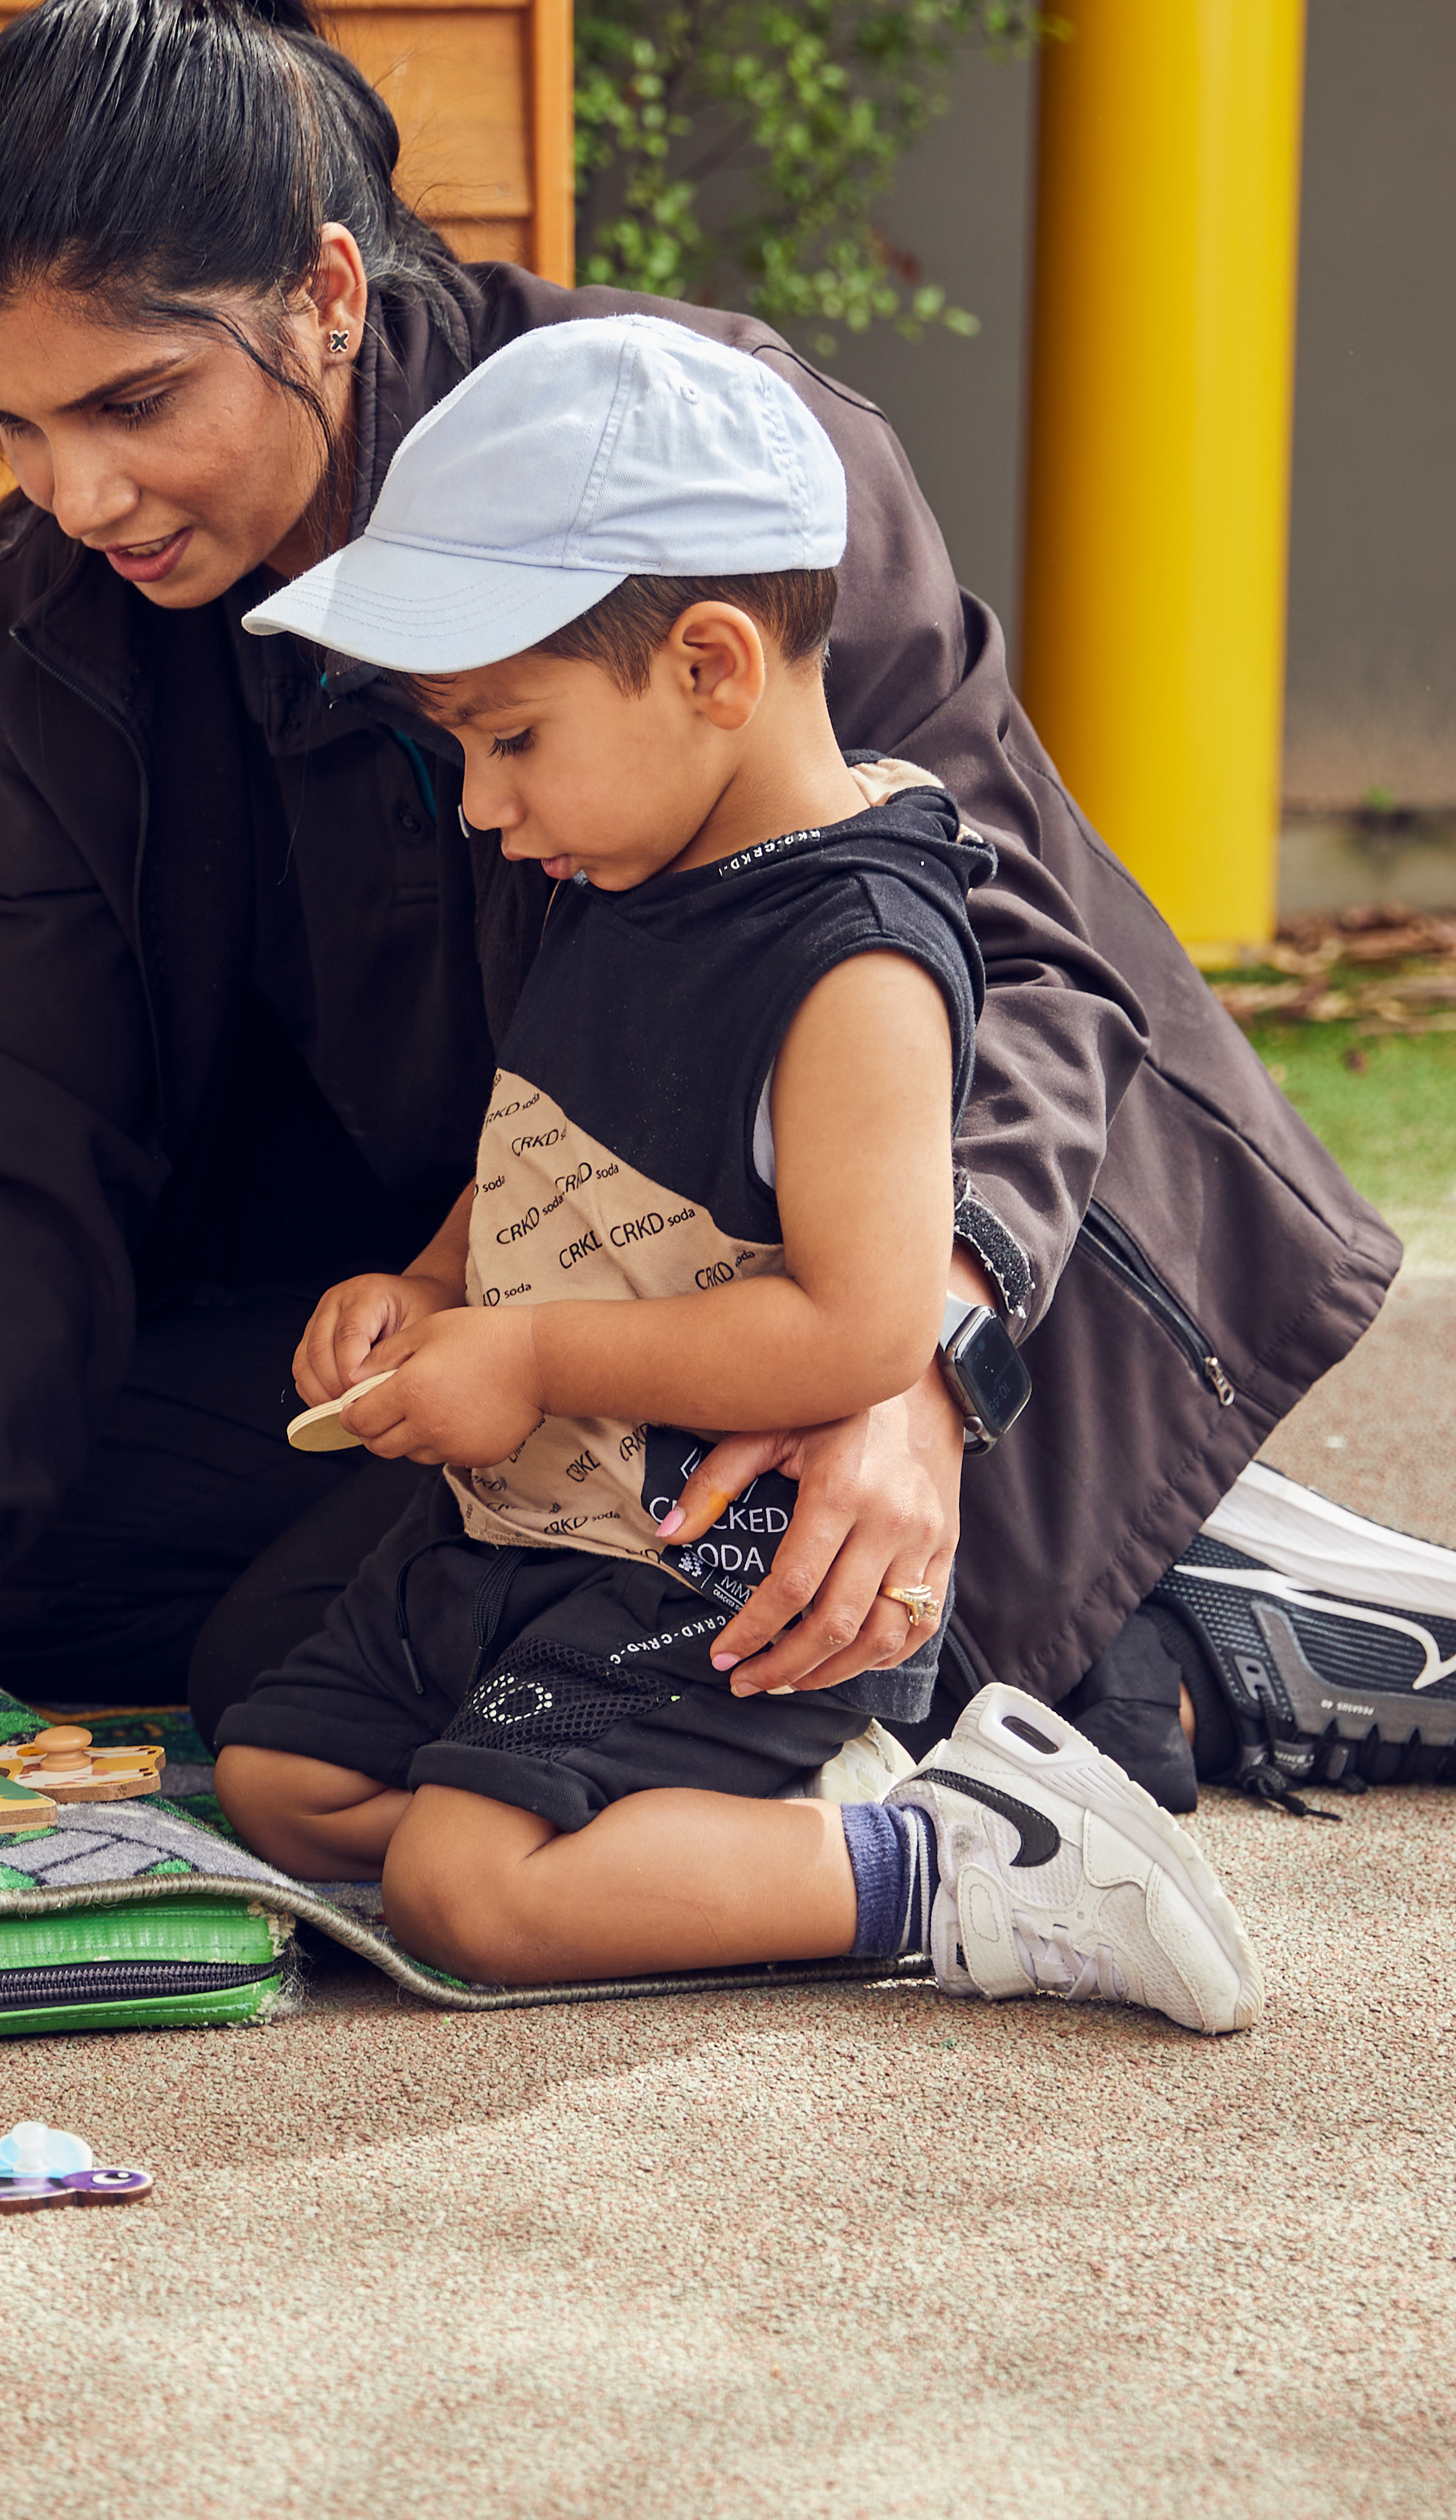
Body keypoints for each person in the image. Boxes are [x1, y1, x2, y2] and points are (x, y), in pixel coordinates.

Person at [0, 0, 1456, 1827]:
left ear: (326, 296)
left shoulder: (701, 476)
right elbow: (31, 1101)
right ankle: (1065, 1627)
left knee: (549, 1642)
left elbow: (1022, 963)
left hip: (858, 1248)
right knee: (30, 1585)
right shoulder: (53, 616)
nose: (77, 492)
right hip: (508, 1273)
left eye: (134, 402)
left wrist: (925, 1368)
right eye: (7, 426)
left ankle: (1174, 1602)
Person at [198, 313, 1257, 2026]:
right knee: (275, 1778)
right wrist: (431, 1282)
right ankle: (693, 1850)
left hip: (705, 1568)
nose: (477, 804)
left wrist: (526, 1356)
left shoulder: (853, 962)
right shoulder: (627, 867)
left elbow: (855, 1330)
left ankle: (945, 1858)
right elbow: (547, 1152)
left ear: (708, 667)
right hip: (534, 1528)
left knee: (460, 1890)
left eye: (507, 737)